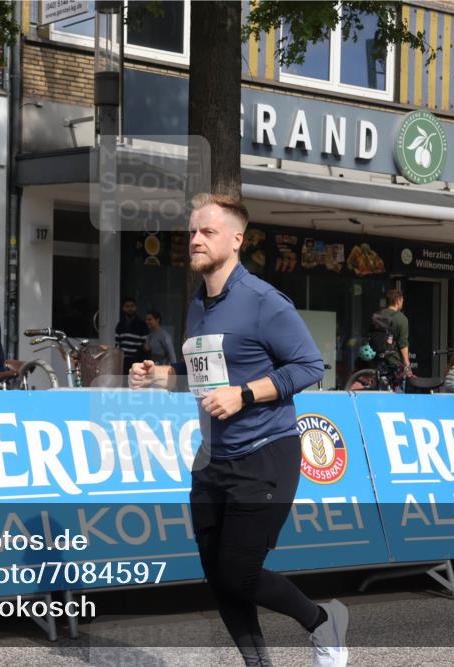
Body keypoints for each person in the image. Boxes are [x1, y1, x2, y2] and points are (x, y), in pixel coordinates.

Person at [129, 193, 347, 667]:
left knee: (239, 574)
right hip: (213, 459)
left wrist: (245, 394)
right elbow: (204, 379)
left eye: (207, 232)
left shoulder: (264, 301)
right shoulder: (197, 304)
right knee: (218, 578)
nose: (196, 239)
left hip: (265, 454)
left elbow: (310, 366)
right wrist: (159, 376)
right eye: (192, 232)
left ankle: (321, 621)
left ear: (236, 240)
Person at [370, 288, 412, 375]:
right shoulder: (401, 318)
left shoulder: (377, 315)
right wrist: (407, 365)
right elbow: (403, 344)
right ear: (398, 301)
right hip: (394, 362)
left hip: (377, 361)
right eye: (402, 300)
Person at [115, 297, 149, 374]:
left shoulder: (142, 325)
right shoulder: (120, 325)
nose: (130, 308)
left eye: (132, 306)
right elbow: (117, 345)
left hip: (137, 360)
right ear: (123, 308)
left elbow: (145, 345)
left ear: (135, 307)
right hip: (123, 361)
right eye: (127, 306)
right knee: (124, 380)